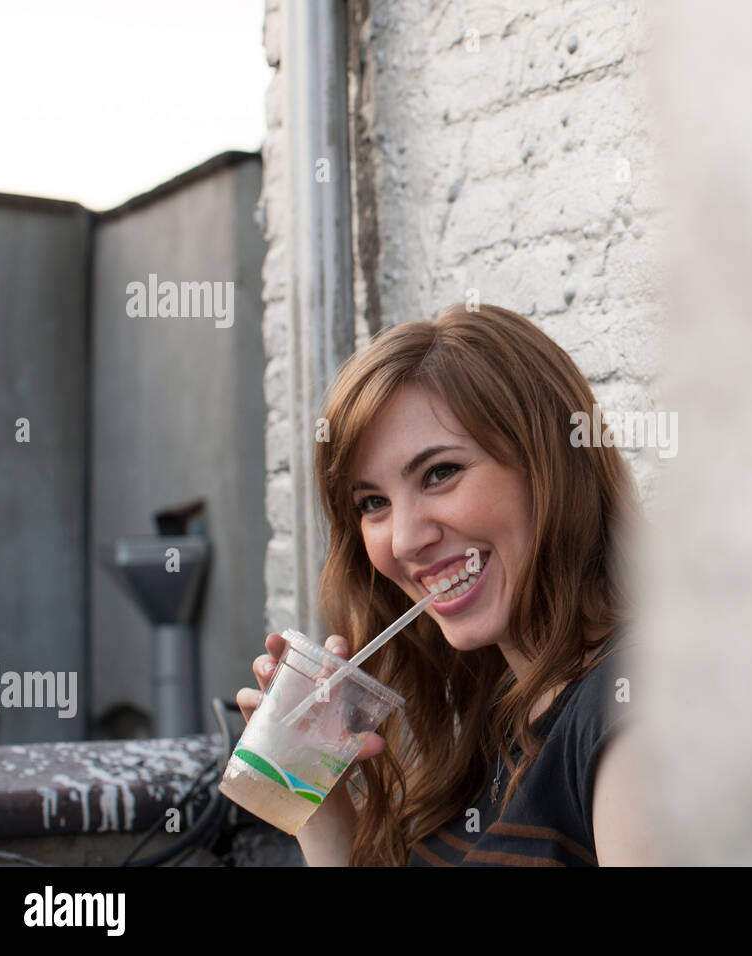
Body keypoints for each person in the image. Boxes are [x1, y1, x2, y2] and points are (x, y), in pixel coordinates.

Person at [235, 303, 653, 866]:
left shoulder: (634, 709)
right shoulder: (497, 715)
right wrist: (321, 813)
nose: (404, 540)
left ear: (551, 467)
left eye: (440, 473)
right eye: (373, 503)